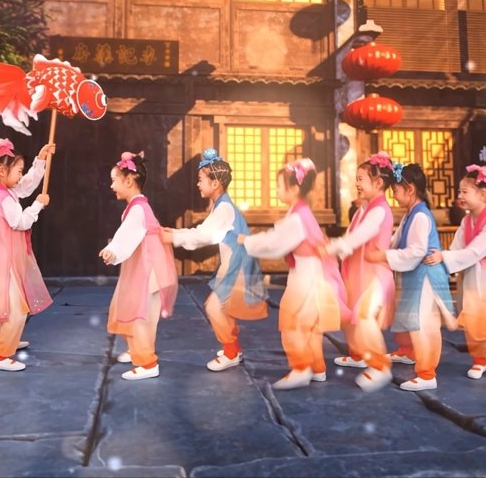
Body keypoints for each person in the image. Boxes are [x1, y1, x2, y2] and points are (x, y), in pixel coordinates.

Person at [240, 159, 347, 389]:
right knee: (311, 327)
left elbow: (274, 243)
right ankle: (317, 367)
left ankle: (301, 368)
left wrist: (247, 241)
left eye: (279, 186)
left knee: (293, 323)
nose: (277, 190)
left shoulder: (297, 217)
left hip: (306, 277)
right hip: (314, 274)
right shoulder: (301, 213)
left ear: (294, 188)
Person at [161, 148, 268, 372]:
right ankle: (233, 349)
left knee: (214, 308)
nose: (198, 184)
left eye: (201, 179)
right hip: (235, 263)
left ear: (215, 183)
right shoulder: (222, 205)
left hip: (237, 266)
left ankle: (231, 353)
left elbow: (204, 236)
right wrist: (176, 233)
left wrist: (174, 237)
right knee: (223, 308)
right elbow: (204, 231)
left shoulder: (224, 209)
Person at [424, 165, 486, 382]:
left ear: (482, 194)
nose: (460, 196)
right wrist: (443, 260)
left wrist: (444, 257)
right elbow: (457, 248)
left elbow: (475, 251)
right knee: (471, 320)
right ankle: (479, 360)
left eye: (465, 191)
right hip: (473, 276)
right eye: (459, 191)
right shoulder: (467, 220)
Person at [367, 163, 456, 390]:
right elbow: (397, 240)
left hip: (426, 276)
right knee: (409, 317)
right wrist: (383, 249)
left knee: (423, 324)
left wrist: (384, 255)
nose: (394, 196)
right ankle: (408, 352)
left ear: (410, 189)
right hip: (417, 275)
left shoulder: (420, 216)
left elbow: (416, 251)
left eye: (396, 190)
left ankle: (427, 374)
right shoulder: (411, 214)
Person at [99, 152, 178, 380]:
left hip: (148, 268)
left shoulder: (138, 209)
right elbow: (127, 234)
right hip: (146, 266)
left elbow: (126, 234)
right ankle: (137, 351)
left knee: (140, 313)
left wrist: (112, 249)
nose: (111, 185)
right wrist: (115, 247)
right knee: (136, 309)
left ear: (128, 180)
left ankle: (147, 363)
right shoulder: (137, 206)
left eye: (114, 180)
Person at [325, 151, 396, 392]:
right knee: (350, 316)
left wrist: (330, 248)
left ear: (378, 183)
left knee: (364, 315)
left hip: (375, 274)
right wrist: (334, 248)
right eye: (356, 179)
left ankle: (380, 366)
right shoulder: (364, 209)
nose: (357, 184)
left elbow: (358, 238)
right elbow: (349, 237)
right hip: (359, 271)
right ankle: (359, 354)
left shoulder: (379, 210)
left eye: (361, 179)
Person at [0, 136, 53, 372]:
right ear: (3, 171)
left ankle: (9, 340)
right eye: (19, 171)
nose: (21, 176)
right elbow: (21, 222)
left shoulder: (1, 190)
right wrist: (38, 205)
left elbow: (25, 186)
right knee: (15, 309)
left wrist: (40, 161)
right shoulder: (2, 198)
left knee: (11, 304)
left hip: (5, 258)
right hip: (4, 261)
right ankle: (1, 356)